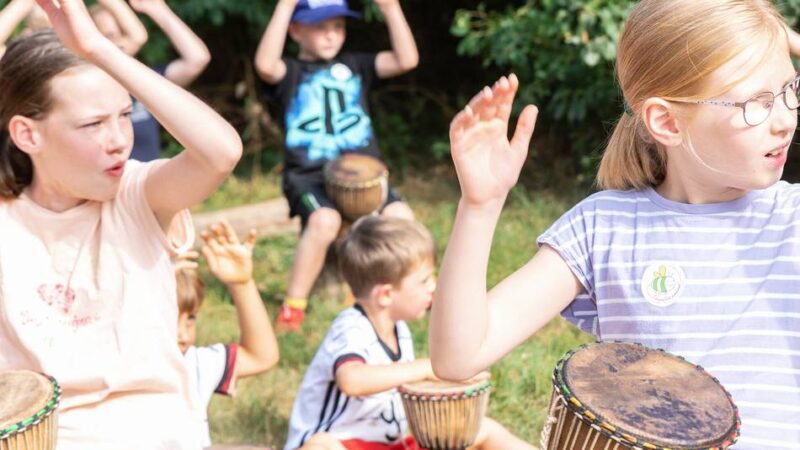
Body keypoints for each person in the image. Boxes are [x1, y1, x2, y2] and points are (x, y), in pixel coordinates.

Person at [429, 1, 800, 448]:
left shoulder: (792, 218)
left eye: (790, 89)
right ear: (667, 121)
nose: (785, 120)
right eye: (757, 103)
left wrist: (769, 33)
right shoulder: (603, 229)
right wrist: (480, 206)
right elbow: (459, 355)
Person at [0, 0, 242, 447]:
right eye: (93, 124)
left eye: (125, 115)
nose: (118, 141)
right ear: (27, 134)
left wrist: (98, 48)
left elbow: (221, 153)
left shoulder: (137, 195)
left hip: (159, 435)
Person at [285, 216, 534, 450]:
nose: (433, 286)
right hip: (339, 443)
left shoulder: (400, 330)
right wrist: (428, 368)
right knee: (322, 445)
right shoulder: (350, 327)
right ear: (386, 294)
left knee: (484, 430)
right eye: (424, 281)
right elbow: (352, 380)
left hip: (390, 445)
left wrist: (455, 379)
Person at [254, 0, 418, 332]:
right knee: (325, 221)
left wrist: (391, 10)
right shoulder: (290, 71)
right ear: (296, 31)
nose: (331, 35)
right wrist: (285, 7)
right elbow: (265, 65)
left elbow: (406, 60)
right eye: (320, 27)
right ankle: (294, 306)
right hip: (309, 176)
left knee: (402, 217)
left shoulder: (355, 64)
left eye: (338, 27)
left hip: (363, 175)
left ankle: (413, 291)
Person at [175, 221, 279, 448]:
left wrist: (242, 284)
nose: (182, 335)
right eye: (169, 318)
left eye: (190, 319)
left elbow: (261, 356)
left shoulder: (195, 363)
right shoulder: (118, 365)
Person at [91, 0, 211, 161]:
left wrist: (157, 9)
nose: (121, 43)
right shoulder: (89, 85)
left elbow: (197, 59)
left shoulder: (146, 80)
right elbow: (137, 37)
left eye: (122, 33)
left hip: (149, 176)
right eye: (109, 36)